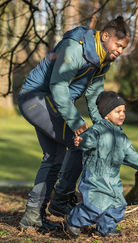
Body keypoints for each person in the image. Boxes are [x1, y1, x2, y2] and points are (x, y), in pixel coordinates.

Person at [18, 16, 131, 232]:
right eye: (118, 45)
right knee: (82, 142)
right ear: (105, 36)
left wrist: (104, 127)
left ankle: (33, 215)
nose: (120, 51)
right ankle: (61, 200)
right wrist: (77, 121)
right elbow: (58, 87)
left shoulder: (101, 60)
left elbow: (93, 95)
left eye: (124, 47)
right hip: (36, 98)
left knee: (55, 157)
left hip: (51, 102)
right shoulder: (74, 48)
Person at [65, 90, 138, 237]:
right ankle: (73, 220)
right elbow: (88, 138)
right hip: (95, 179)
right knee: (95, 207)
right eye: (117, 111)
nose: (122, 114)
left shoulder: (122, 137)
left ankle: (105, 229)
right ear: (106, 114)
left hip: (113, 181)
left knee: (118, 206)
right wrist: (81, 140)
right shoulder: (98, 131)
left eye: (123, 111)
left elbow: (131, 156)